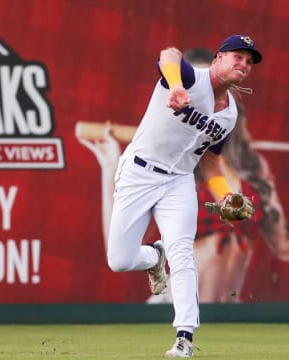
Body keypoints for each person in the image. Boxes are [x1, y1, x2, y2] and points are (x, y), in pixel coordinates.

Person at [107, 34, 262, 358]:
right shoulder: (192, 78)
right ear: (219, 57)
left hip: (178, 182)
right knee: (119, 260)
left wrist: (223, 196)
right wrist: (176, 85)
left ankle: (185, 336)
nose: (243, 64)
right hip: (138, 172)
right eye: (238, 56)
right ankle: (154, 257)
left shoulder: (229, 115)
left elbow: (210, 160)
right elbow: (169, 53)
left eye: (248, 62)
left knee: (183, 254)